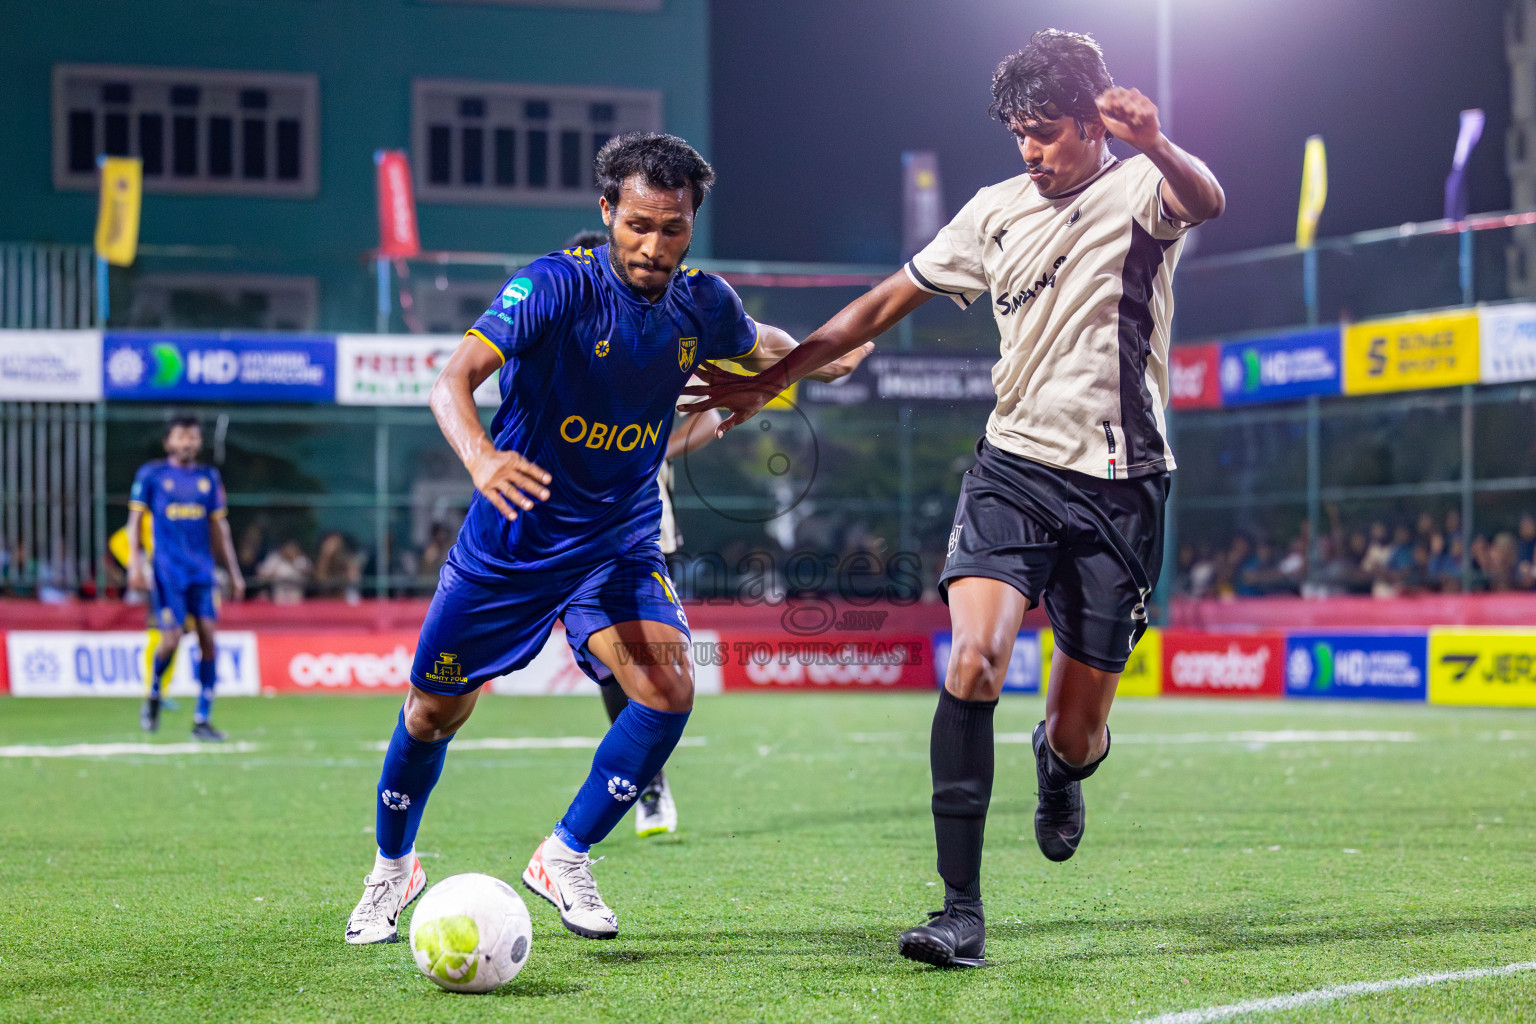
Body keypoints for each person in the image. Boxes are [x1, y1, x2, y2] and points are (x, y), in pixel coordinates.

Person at [687, 29, 1223, 967]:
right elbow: (877, 307)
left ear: (1094, 121)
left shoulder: (1140, 187)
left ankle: (1059, 767)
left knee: (1080, 728)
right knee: (974, 660)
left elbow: (1207, 199)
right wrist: (780, 379)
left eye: (1047, 130)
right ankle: (959, 910)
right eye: (1018, 131)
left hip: (1122, 488)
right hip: (1012, 471)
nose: (1030, 149)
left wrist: (1159, 141)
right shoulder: (993, 211)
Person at [343, 131, 870, 946]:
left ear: (692, 222)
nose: (653, 246)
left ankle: (564, 854)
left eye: (673, 228)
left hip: (617, 542)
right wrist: (481, 459)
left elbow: (759, 341)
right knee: (430, 716)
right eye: (637, 225)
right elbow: (450, 379)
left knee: (668, 692)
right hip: (511, 544)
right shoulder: (554, 286)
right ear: (606, 211)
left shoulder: (703, 302)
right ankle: (391, 871)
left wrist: (815, 359)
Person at [562, 225, 726, 839]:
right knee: (614, 667)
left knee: (646, 665)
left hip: (644, 531)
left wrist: (655, 449)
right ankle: (642, 783)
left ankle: (648, 785)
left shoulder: (657, 340)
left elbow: (708, 414)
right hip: (571, 533)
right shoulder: (563, 338)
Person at [127, 415, 246, 740]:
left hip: (202, 572)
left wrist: (233, 572)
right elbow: (135, 521)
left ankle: (202, 719)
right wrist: (135, 565)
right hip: (168, 573)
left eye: (192, 437)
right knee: (172, 637)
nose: (187, 442)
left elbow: (219, 527)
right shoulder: (152, 475)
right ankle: (153, 692)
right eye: (181, 436)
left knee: (208, 637)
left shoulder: (209, 477)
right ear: (168, 442)